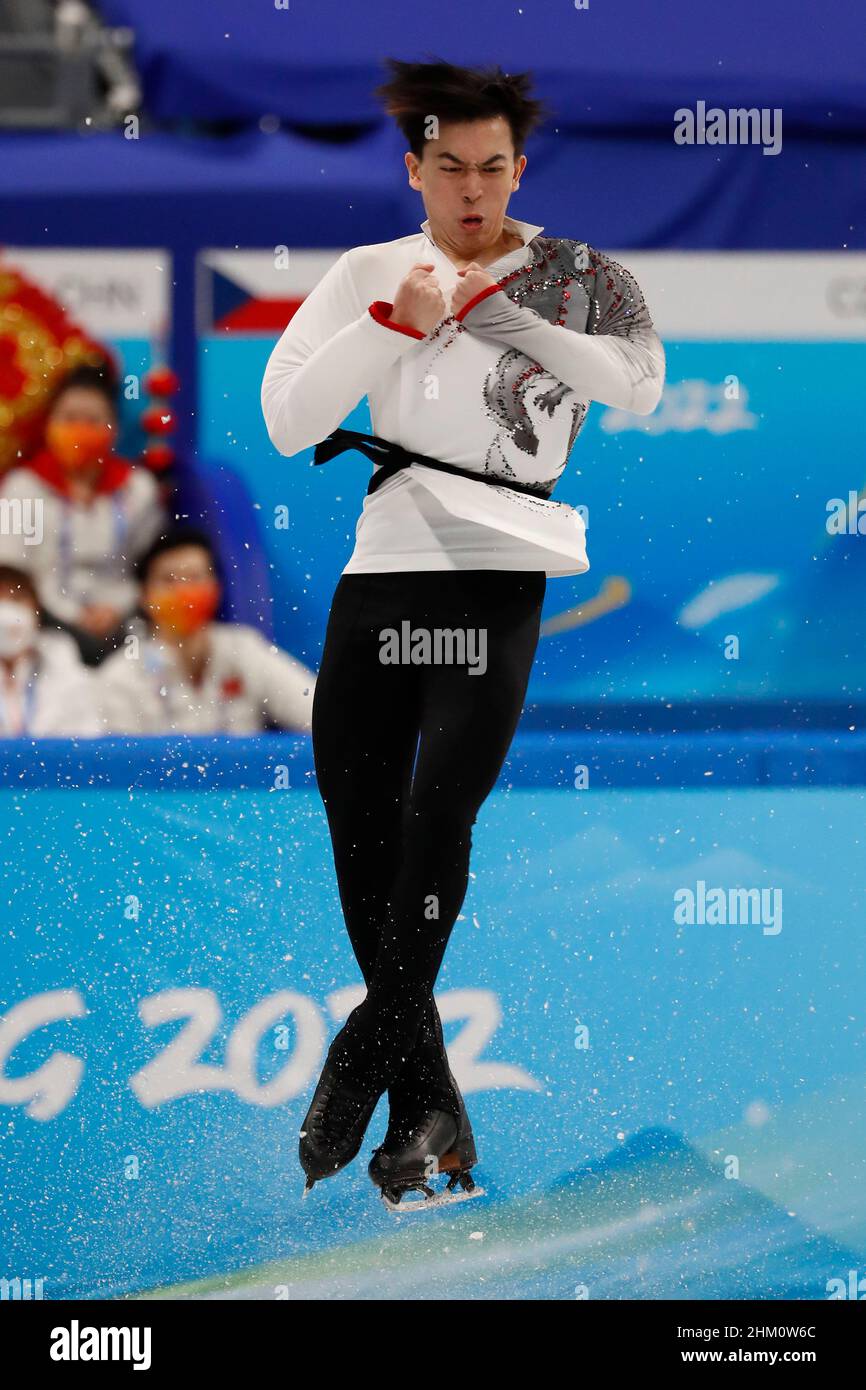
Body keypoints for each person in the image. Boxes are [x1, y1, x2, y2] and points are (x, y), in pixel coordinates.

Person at [261, 57, 666, 1207]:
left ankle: (362, 1056)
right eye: (450, 169)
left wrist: (504, 317)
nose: (473, 189)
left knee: (438, 813)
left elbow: (636, 388)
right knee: (359, 823)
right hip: (382, 570)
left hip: (498, 572)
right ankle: (426, 1094)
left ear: (518, 168)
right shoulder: (366, 274)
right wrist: (395, 323)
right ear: (415, 169)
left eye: (493, 168)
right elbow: (290, 421)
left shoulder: (580, 274)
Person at [0, 362, 165, 666]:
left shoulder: (137, 489)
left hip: (123, 621)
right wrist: (68, 614)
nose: (80, 430)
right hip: (44, 622)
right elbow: (11, 574)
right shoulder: (22, 488)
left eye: (92, 420)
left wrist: (119, 606)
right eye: (69, 419)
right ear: (49, 425)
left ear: (113, 429)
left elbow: (152, 568)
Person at [95, 525, 316, 734]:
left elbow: (316, 712)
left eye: (195, 577)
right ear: (144, 595)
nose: (184, 591)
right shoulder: (122, 676)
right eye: (169, 580)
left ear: (216, 588)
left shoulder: (244, 649)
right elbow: (122, 766)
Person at [0, 564, 101, 737]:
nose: (6, 612)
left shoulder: (68, 668)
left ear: (36, 611)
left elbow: (87, 738)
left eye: (16, 599)